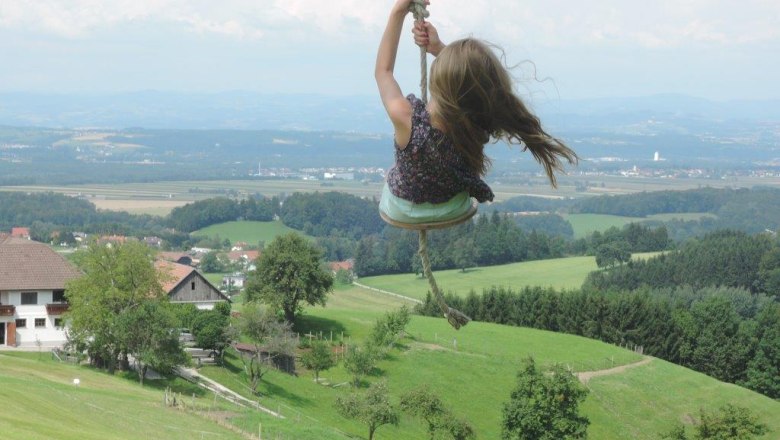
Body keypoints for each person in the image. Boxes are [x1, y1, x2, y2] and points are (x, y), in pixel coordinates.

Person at [376, 0, 578, 224]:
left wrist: (398, 12)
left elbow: (383, 72)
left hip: (405, 211)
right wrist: (440, 49)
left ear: (436, 81)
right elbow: (471, 84)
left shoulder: (409, 122)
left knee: (394, 172)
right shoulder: (480, 117)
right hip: (453, 208)